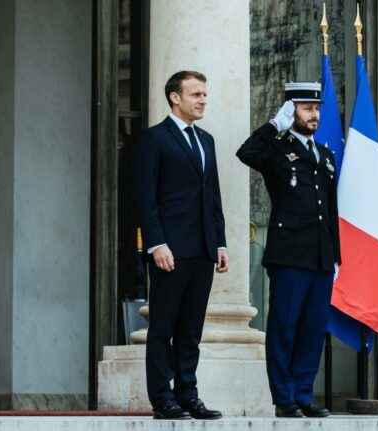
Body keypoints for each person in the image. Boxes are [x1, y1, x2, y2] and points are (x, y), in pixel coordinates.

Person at [236, 82, 340, 418]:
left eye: (317, 109)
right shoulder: (276, 150)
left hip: (321, 256)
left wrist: (336, 255)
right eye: (307, 108)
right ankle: (284, 397)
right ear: (290, 111)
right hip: (290, 255)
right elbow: (246, 152)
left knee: (313, 328)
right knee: (285, 326)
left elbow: (331, 209)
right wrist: (273, 126)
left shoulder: (324, 155)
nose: (315, 115)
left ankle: (304, 393)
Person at [135, 70, 227, 420]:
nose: (203, 100)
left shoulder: (207, 141)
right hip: (168, 250)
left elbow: (212, 197)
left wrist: (220, 242)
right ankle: (163, 398)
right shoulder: (154, 139)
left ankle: (188, 393)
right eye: (196, 94)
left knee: (191, 329)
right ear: (175, 97)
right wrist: (156, 243)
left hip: (202, 250)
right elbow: (146, 199)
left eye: (205, 94)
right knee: (163, 326)